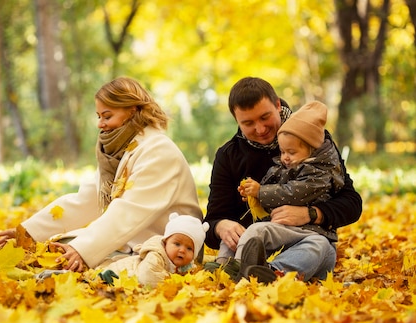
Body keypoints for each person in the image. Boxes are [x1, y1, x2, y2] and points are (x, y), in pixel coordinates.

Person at [0, 77, 202, 271]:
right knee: (55, 248)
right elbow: (86, 200)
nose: (100, 124)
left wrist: (82, 251)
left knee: (73, 261)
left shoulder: (158, 151)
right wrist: (29, 232)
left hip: (171, 250)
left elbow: (128, 212)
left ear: (132, 110)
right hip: (130, 241)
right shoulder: (122, 150)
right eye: (99, 116)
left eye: (107, 116)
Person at [203, 77, 362, 281]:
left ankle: (270, 274)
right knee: (244, 236)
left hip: (305, 243)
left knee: (321, 247)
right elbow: (213, 219)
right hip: (254, 242)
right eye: (248, 123)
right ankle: (238, 270)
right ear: (236, 120)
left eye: (265, 117)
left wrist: (312, 214)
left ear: (278, 105)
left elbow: (351, 203)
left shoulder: (311, 139)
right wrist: (221, 226)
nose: (260, 129)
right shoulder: (229, 155)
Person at [225, 101, 345, 282]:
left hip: (315, 235)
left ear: (312, 149)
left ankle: (275, 273)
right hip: (285, 231)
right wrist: (251, 193)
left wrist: (261, 192)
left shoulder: (320, 172)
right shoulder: (284, 165)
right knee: (256, 230)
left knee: (318, 246)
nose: (285, 157)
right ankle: (237, 269)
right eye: (282, 151)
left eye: (291, 152)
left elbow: (295, 192)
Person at [98, 213, 209, 287]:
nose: (182, 250)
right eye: (177, 244)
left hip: (138, 281)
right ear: (165, 243)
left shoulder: (187, 265)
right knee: (113, 279)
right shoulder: (156, 256)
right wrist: (174, 282)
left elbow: (192, 276)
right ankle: (105, 276)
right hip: (126, 272)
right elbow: (148, 277)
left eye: (189, 248)